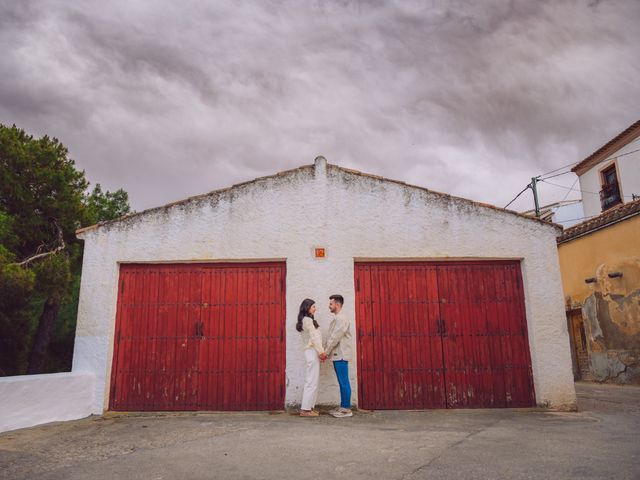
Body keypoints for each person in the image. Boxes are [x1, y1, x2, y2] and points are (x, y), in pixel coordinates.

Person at [296, 298, 327, 417]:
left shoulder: (306, 320)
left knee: (313, 380)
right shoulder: (307, 320)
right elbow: (314, 338)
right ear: (307, 307)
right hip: (312, 351)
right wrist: (321, 352)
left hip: (311, 352)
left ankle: (309, 408)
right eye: (313, 306)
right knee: (311, 381)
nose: (315, 308)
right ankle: (305, 410)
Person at [324, 294, 353, 418]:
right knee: (342, 381)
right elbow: (332, 337)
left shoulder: (341, 319)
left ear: (337, 304)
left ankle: (346, 409)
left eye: (331, 303)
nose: (329, 306)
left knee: (344, 381)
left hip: (341, 354)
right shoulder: (338, 318)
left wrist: (325, 352)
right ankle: (343, 406)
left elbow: (335, 337)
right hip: (338, 354)